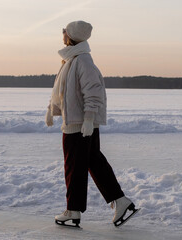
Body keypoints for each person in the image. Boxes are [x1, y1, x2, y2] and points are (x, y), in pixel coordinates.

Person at [45, 20, 138, 228]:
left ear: (71, 36)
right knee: (93, 161)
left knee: (74, 166)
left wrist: (88, 119)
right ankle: (121, 201)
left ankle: (73, 210)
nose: (62, 34)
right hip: (79, 122)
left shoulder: (82, 61)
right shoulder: (72, 60)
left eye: (64, 31)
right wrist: (51, 109)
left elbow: (94, 92)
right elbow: (63, 91)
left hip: (79, 125)